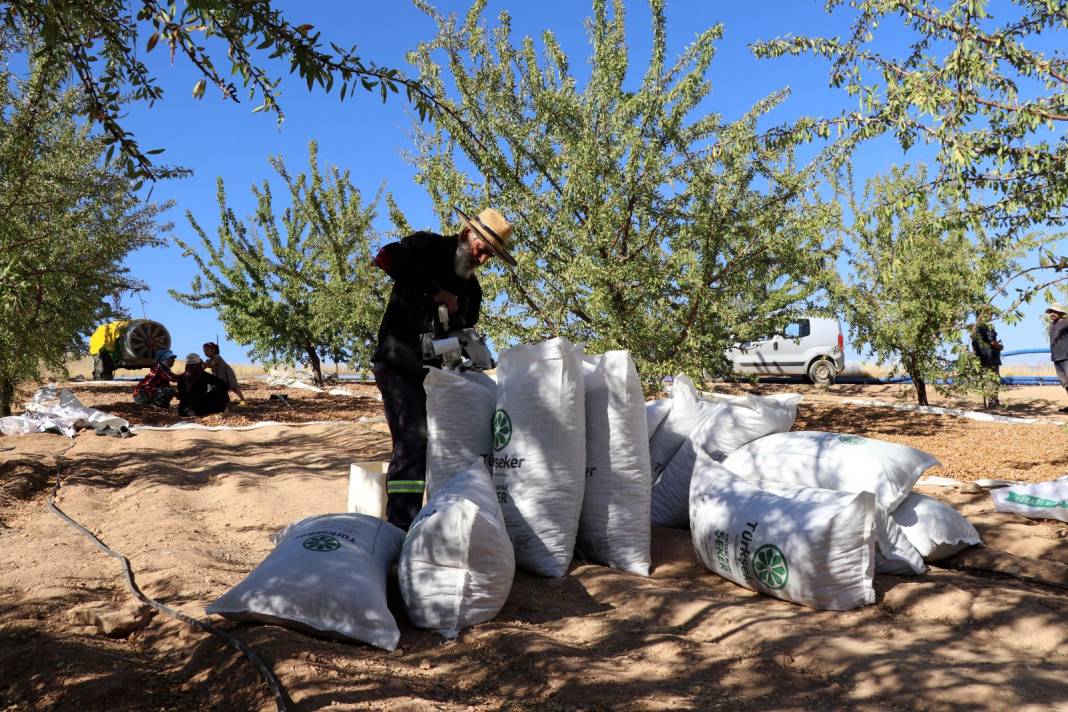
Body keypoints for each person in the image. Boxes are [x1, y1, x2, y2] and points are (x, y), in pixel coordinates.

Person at [371, 206, 516, 530]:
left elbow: (461, 332)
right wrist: (434, 292)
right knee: (413, 440)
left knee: (446, 446)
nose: (482, 260)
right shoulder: (426, 248)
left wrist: (476, 357)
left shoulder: (472, 290)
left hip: (438, 377)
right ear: (467, 234)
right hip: (399, 364)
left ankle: (437, 526)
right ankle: (399, 527)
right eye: (482, 250)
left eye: (490, 256)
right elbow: (384, 257)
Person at [970, 310, 1003, 408]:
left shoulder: (975, 328)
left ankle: (990, 401)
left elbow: (974, 345)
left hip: (981, 357)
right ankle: (993, 402)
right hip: (990, 357)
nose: (991, 316)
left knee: (987, 380)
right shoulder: (988, 326)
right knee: (993, 380)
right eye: (990, 314)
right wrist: (1000, 347)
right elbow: (993, 342)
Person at [1046, 303, 1068, 413]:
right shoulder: (1051, 326)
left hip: (1066, 357)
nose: (1053, 314)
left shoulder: (1066, 322)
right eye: (1051, 312)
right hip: (1056, 358)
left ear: (1060, 313)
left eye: (1055, 311)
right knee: (1065, 383)